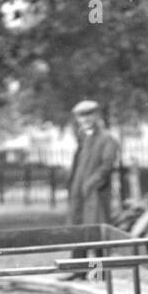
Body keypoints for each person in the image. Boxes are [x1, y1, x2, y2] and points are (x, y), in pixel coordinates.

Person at [64, 99, 119, 277]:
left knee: (96, 233)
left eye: (89, 114)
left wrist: (91, 184)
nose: (85, 119)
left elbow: (107, 166)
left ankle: (98, 274)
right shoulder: (82, 137)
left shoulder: (107, 138)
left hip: (96, 193)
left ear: (96, 115)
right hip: (78, 193)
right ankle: (77, 271)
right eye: (81, 116)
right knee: (77, 231)